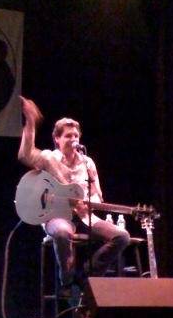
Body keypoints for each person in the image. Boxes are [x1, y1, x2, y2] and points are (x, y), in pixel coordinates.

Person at [18, 97, 130, 293]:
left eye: (76, 136)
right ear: (57, 139)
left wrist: (88, 203)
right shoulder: (48, 158)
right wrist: (30, 121)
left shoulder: (87, 162)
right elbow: (25, 155)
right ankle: (67, 280)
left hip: (86, 217)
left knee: (122, 237)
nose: (74, 140)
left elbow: (97, 195)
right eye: (68, 136)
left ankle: (86, 276)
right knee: (62, 232)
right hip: (57, 216)